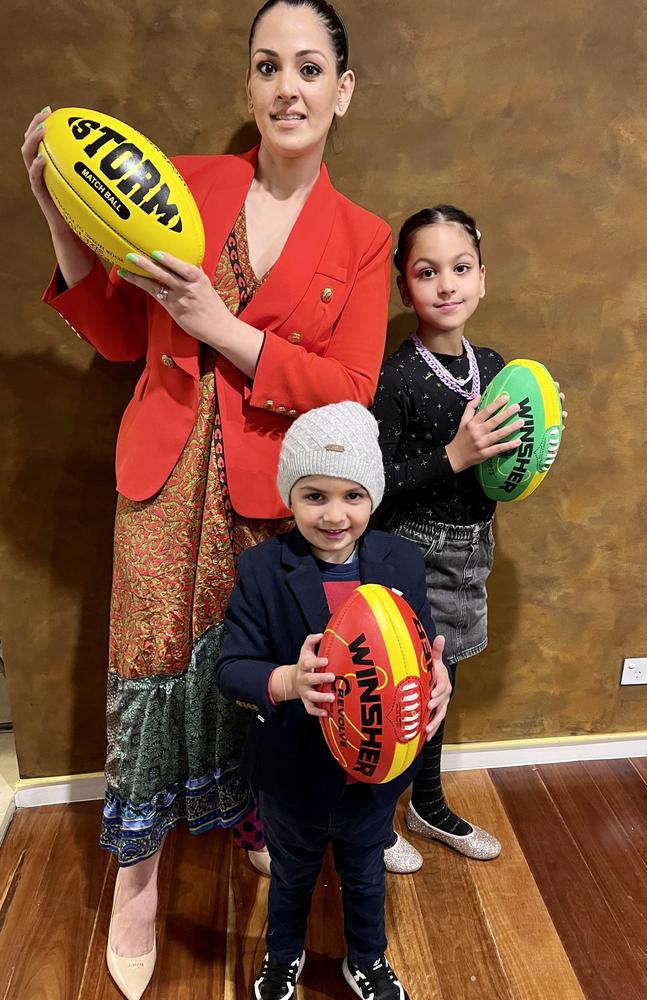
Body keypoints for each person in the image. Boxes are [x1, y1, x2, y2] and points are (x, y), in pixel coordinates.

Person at [20, 2, 392, 996]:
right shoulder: (185, 184)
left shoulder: (361, 238)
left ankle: (252, 821)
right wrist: (60, 213)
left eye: (309, 69)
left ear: (341, 90)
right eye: (267, 66)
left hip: (275, 495)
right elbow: (110, 336)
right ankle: (136, 884)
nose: (287, 87)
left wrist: (223, 327)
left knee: (256, 669)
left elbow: (351, 392)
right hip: (162, 472)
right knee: (146, 672)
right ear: (247, 86)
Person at [216, 401, 451, 1000]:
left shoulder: (400, 560)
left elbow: (420, 646)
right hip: (292, 769)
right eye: (314, 495)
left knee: (365, 871)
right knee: (292, 875)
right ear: (288, 498)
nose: (334, 514)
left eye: (353, 495)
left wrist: (437, 677)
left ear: (373, 496)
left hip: (376, 770)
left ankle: (367, 959)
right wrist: (289, 681)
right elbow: (231, 670)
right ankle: (283, 956)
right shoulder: (262, 569)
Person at [372, 205, 567, 870]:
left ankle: (426, 804)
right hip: (409, 551)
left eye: (461, 269)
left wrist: (543, 436)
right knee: (398, 689)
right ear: (406, 289)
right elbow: (371, 487)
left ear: (483, 279)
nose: (446, 284)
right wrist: (453, 455)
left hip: (473, 547)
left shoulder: (495, 364)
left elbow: (511, 465)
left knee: (440, 683)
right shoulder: (396, 377)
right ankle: (374, 818)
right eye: (428, 272)